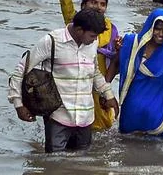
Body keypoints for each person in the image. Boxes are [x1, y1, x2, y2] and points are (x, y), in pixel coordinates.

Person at [8, 9, 120, 152]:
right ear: (79, 30)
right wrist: (18, 104)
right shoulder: (52, 41)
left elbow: (94, 72)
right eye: (92, 36)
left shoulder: (92, 42)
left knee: (83, 165)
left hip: (86, 118)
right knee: (54, 163)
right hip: (57, 116)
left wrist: (108, 94)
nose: (95, 39)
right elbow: (21, 71)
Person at [58, 0, 121, 131]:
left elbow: (114, 64)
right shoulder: (75, 22)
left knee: (102, 128)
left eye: (102, 4)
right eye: (93, 2)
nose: (98, 7)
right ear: (84, 4)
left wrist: (118, 51)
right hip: (75, 83)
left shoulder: (110, 28)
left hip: (98, 86)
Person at [118, 9, 163, 138]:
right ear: (150, 26)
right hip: (131, 106)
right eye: (157, 29)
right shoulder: (132, 43)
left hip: (156, 107)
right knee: (127, 143)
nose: (160, 34)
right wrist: (106, 92)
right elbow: (116, 63)